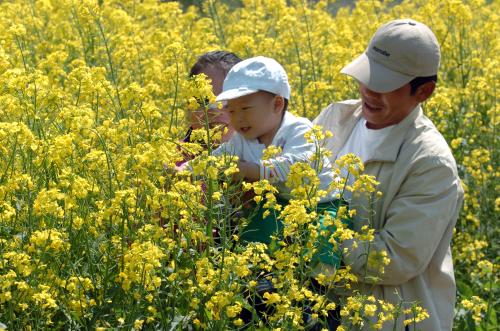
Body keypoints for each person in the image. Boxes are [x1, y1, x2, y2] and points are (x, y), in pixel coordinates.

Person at [313, 19, 464, 330]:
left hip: (387, 319)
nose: (368, 90)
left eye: (384, 84)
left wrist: (319, 236)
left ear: (424, 91)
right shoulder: (337, 117)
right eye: (368, 76)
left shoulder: (430, 163)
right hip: (319, 308)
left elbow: (396, 258)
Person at [183, 50, 242, 144]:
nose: (215, 111)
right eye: (204, 101)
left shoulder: (267, 157)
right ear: (188, 106)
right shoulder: (172, 157)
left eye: (226, 101)